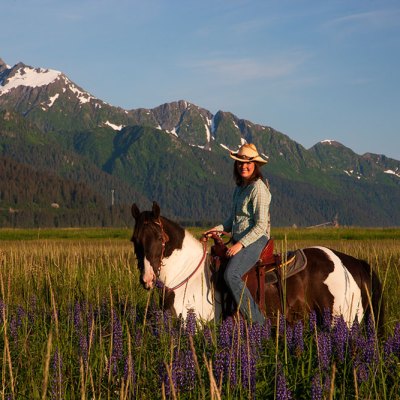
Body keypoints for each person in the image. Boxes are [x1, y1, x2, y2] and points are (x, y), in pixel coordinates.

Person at [205, 143, 271, 325]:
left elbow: (260, 225)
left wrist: (239, 245)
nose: (243, 166)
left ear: (255, 165)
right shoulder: (240, 188)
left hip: (256, 240)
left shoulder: (258, 188)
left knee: (231, 274)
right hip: (239, 238)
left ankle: (259, 323)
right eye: (240, 162)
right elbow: (231, 221)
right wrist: (215, 230)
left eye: (248, 162)